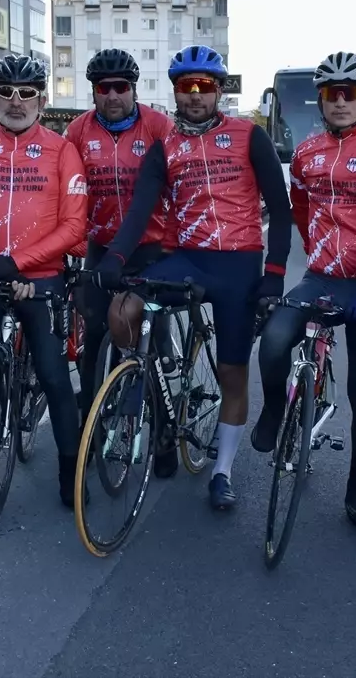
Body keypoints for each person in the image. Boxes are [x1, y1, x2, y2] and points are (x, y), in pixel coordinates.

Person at [93, 45, 293, 510]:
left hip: (238, 263)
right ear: (176, 91)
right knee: (123, 310)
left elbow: (281, 214)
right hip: (186, 257)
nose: (196, 95)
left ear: (219, 90)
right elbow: (140, 210)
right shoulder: (166, 146)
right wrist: (115, 260)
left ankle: (221, 471)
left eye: (205, 86)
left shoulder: (248, 136)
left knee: (231, 373)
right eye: (187, 87)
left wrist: (275, 275)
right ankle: (137, 381)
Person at [253, 52, 356, 526]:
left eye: (350, 94)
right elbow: (299, 207)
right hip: (321, 276)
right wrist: (320, 248)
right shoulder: (305, 153)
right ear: (320, 100)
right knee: (276, 339)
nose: (340, 102)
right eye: (330, 94)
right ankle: (276, 407)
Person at [0, 54, 89, 508]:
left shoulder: (62, 150)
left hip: (42, 279)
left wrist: (20, 262)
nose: (15, 101)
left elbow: (74, 228)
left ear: (41, 101)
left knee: (52, 376)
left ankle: (71, 469)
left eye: (25, 93)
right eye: (5, 92)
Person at [64, 48, 175, 423]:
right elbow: (66, 189)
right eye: (103, 87)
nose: (112, 95)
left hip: (151, 247)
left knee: (146, 338)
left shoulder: (159, 126)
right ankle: (92, 415)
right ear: (93, 91)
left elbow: (179, 186)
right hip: (102, 245)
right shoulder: (78, 131)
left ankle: (160, 429)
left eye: (121, 87)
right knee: (93, 332)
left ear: (134, 89)